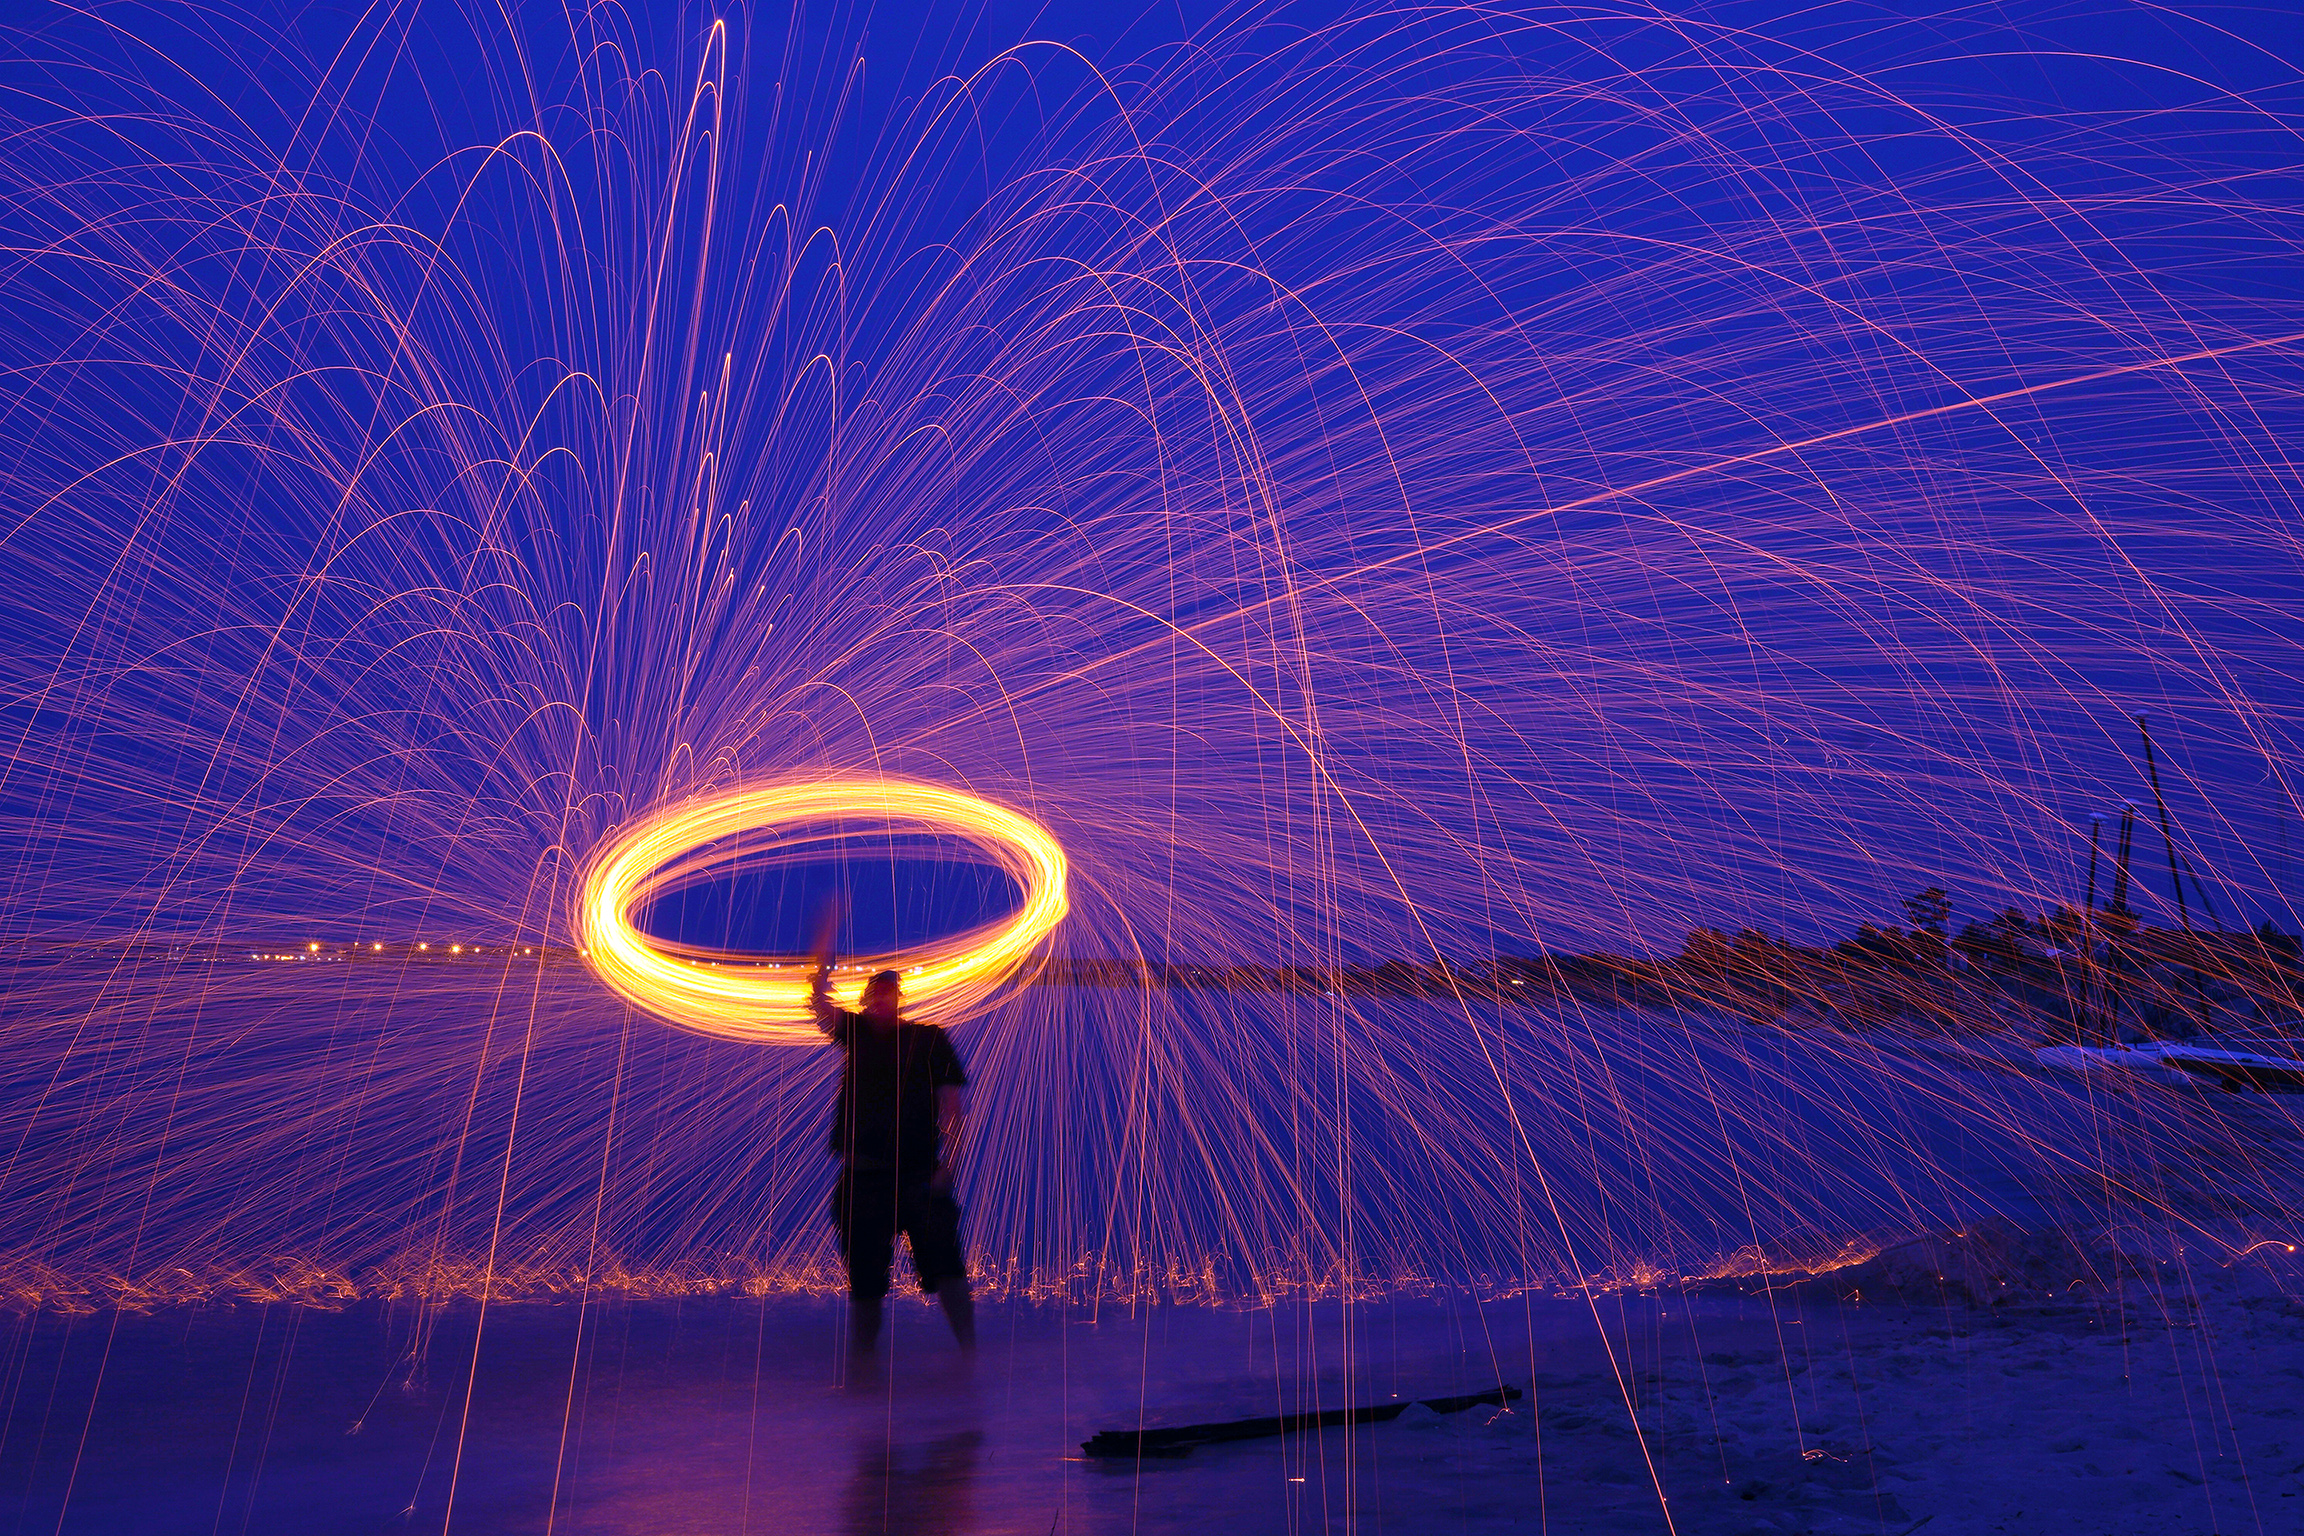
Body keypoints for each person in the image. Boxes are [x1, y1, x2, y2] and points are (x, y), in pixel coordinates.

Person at [810, 904, 975, 1363]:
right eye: (876, 994)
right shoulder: (857, 1033)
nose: (883, 1000)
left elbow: (953, 1109)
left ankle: (971, 1361)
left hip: (920, 1175)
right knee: (865, 1280)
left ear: (900, 999)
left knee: (946, 1268)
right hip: (864, 1177)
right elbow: (818, 1000)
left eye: (890, 993)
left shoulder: (929, 1039)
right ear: (866, 1000)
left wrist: (949, 1167)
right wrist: (825, 943)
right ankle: (862, 1372)